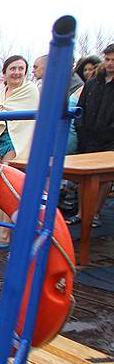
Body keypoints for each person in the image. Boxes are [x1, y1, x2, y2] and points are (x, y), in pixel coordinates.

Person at [74, 44, 114, 227]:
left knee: (104, 179)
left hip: (109, 141)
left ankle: (95, 213)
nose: (110, 64)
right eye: (107, 59)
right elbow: (80, 109)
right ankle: (82, 213)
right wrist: (82, 129)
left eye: (113, 60)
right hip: (88, 137)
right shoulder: (92, 83)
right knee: (84, 179)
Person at [0, 55, 40, 163]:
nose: (17, 72)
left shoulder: (30, 89)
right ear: (4, 73)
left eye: (21, 69)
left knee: (7, 171)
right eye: (13, 69)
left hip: (18, 140)